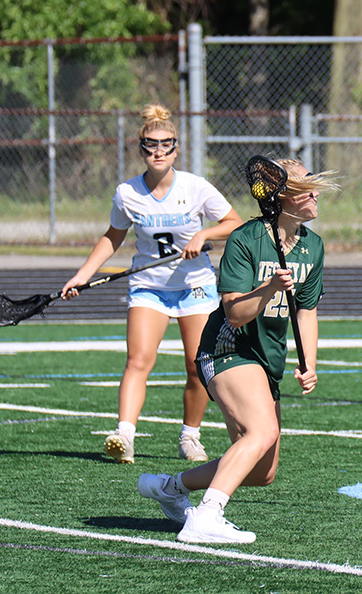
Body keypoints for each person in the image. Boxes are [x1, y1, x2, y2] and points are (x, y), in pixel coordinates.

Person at [136, 156, 340, 544]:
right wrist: (268, 290)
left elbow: (307, 311)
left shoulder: (312, 247)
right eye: (305, 187)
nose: (315, 193)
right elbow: (235, 312)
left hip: (267, 361)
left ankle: (171, 487)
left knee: (263, 471)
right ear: (281, 197)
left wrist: (308, 362)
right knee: (263, 429)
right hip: (227, 349)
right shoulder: (247, 239)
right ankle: (206, 517)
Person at [62, 104, 243, 464]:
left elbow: (234, 223)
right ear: (140, 149)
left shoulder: (195, 187)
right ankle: (124, 435)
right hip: (149, 285)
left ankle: (190, 436)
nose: (158, 151)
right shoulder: (127, 193)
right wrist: (84, 273)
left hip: (195, 285)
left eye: (165, 144)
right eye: (150, 145)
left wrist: (204, 234)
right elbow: (112, 236)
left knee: (197, 365)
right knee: (139, 360)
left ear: (176, 148)